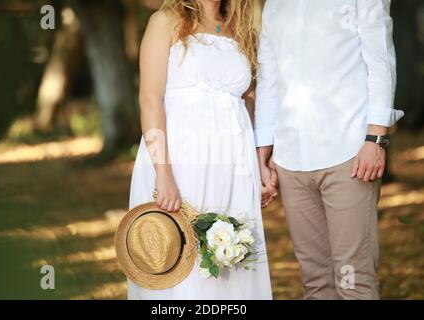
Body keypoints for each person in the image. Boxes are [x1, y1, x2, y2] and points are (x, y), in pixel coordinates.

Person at [256, 0, 404, 299]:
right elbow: (268, 81)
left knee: (354, 280)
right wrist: (263, 153)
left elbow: (380, 60)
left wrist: (376, 138)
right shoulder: (274, 5)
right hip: (290, 160)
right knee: (315, 283)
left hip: (348, 155)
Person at [128, 0, 272, 299]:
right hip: (180, 158)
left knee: (229, 257)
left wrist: (261, 163)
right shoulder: (165, 21)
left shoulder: (242, 27)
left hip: (234, 162)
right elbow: (150, 99)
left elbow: (251, 99)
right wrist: (163, 172)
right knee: (180, 253)